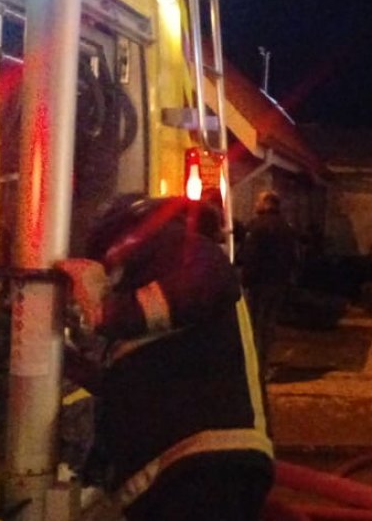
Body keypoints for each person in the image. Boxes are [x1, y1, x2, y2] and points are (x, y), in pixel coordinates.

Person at [56, 194, 273, 520]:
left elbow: (196, 288)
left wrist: (102, 306)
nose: (112, 272)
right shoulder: (165, 281)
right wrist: (63, 359)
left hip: (203, 470)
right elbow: (134, 382)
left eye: (112, 260)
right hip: (180, 475)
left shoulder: (193, 251)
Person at [238, 190, 298, 378]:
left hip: (259, 284)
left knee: (256, 326)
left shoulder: (256, 227)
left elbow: (249, 257)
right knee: (269, 325)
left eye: (258, 201)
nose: (255, 204)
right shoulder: (286, 228)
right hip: (278, 283)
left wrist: (245, 280)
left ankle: (254, 366)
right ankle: (264, 366)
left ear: (266, 204)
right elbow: (294, 257)